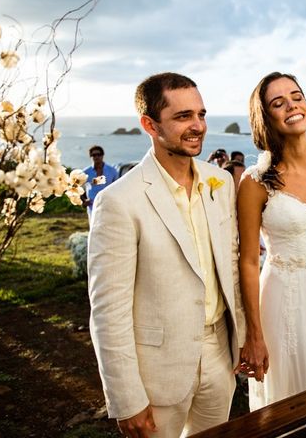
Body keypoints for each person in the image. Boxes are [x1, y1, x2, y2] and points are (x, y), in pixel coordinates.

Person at [88, 72, 245, 437]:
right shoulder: (117, 201)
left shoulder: (218, 184)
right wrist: (127, 398)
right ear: (149, 124)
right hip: (156, 371)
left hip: (220, 355)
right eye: (183, 116)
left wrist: (244, 335)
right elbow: (108, 310)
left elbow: (231, 266)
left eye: (201, 114)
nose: (198, 126)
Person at [236, 72, 306, 416]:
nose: (292, 105)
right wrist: (254, 335)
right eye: (278, 102)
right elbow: (247, 262)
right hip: (283, 300)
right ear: (265, 117)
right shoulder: (255, 182)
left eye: (296, 96)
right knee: (290, 403)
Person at [82, 145, 119, 221]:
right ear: (90, 157)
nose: (96, 157)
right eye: (94, 155)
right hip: (92, 206)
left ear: (102, 155)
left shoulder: (112, 171)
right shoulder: (86, 172)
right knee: (94, 229)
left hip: (108, 204)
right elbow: (78, 188)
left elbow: (117, 187)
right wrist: (84, 200)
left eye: (99, 154)